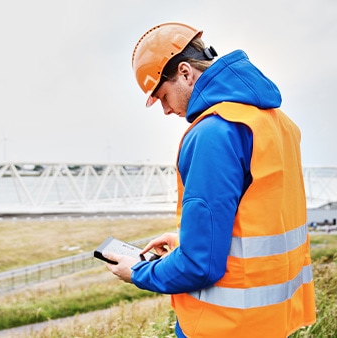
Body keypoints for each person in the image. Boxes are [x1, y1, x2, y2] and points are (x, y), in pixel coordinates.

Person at [103, 22, 316, 337]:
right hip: (270, 321)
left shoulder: (213, 133)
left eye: (161, 95)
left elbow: (200, 266)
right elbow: (261, 223)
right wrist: (184, 242)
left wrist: (138, 272)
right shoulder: (278, 124)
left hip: (223, 325)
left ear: (186, 73)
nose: (164, 109)